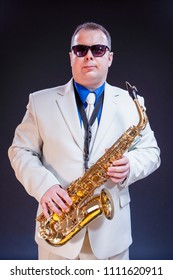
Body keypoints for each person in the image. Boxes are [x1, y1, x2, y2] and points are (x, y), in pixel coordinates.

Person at [8, 22, 161, 260]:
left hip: (112, 236)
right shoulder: (40, 102)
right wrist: (44, 186)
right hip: (57, 229)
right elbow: (20, 151)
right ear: (71, 57)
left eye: (98, 49)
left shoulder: (132, 103)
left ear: (109, 58)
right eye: (81, 50)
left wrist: (131, 163)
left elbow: (152, 152)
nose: (89, 56)